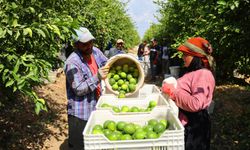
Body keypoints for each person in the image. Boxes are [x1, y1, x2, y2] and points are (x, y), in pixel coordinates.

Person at [162, 37, 216, 150]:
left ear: (196, 56)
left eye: (186, 54)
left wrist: (173, 92)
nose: (183, 57)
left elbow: (196, 103)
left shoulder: (203, 74)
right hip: (190, 125)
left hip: (195, 127)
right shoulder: (193, 73)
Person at [64, 27, 110, 150]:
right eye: (84, 44)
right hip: (80, 113)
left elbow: (107, 63)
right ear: (76, 45)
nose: (89, 46)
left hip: (95, 106)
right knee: (79, 145)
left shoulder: (95, 52)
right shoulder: (72, 63)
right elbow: (78, 89)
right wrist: (97, 77)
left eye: (90, 42)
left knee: (93, 142)